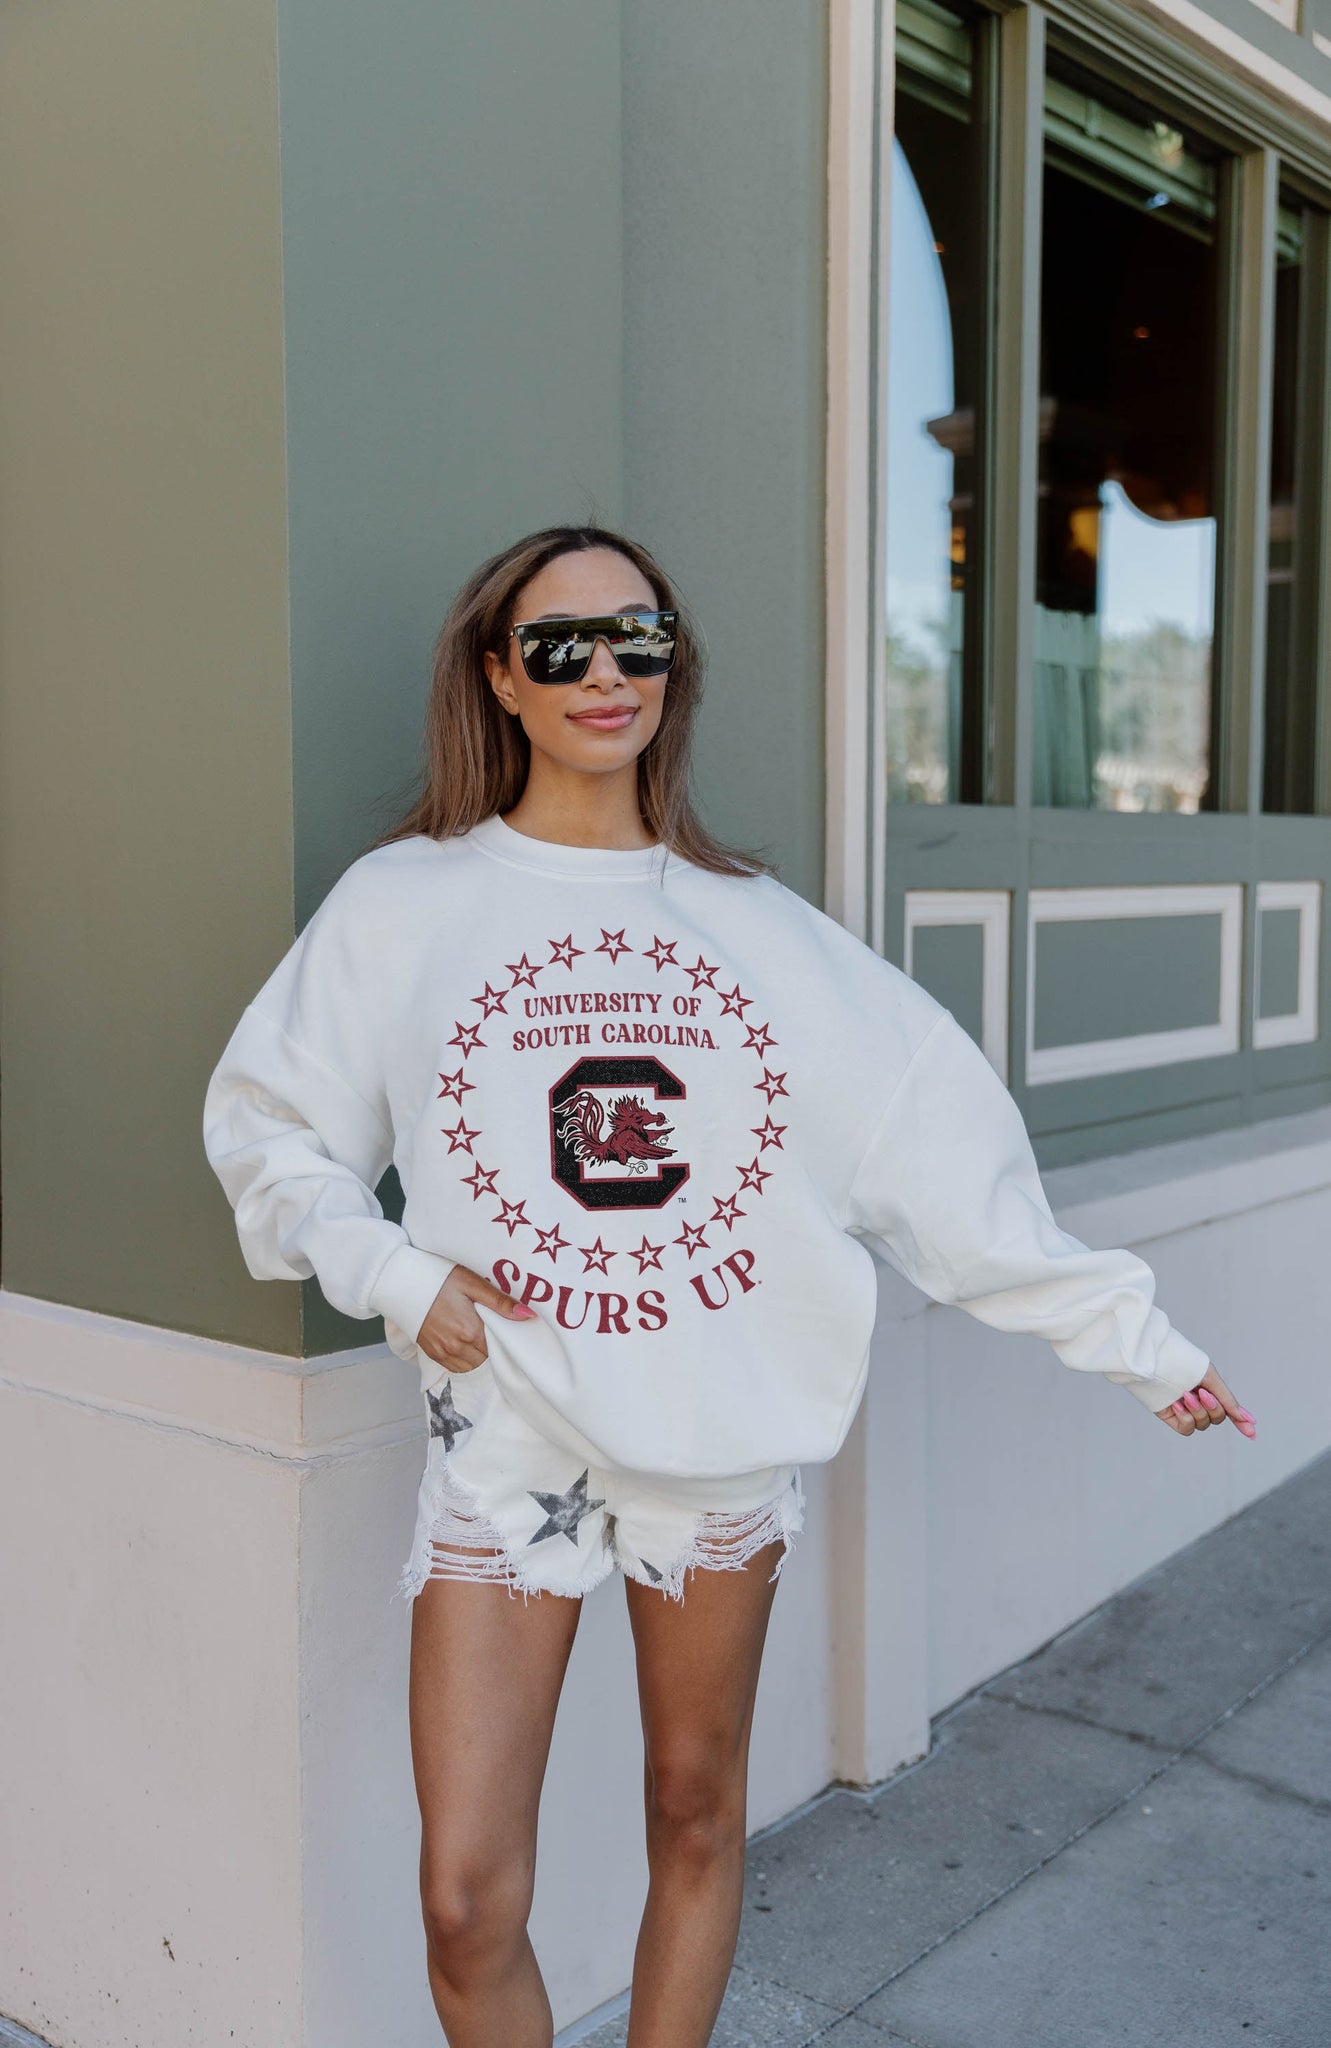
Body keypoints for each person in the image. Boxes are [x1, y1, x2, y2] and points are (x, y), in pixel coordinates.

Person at [201, 524, 1256, 2048]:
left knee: (694, 1813)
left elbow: (943, 1160)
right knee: (464, 1900)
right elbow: (266, 1124)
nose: (606, 671)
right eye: (561, 644)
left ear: (673, 664)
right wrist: (393, 1272)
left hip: (714, 1442)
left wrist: (1136, 1344)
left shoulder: (763, 933)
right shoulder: (404, 905)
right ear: (500, 677)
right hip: (508, 1439)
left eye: (641, 637)